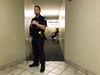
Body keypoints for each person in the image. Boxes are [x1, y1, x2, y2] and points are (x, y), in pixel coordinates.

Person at [27, 5, 47, 72]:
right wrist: (28, 37)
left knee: (40, 52)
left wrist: (36, 23)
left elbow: (43, 27)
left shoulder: (42, 18)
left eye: (37, 9)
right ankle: (36, 63)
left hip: (40, 38)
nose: (35, 11)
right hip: (34, 38)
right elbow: (30, 29)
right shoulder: (33, 19)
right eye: (34, 10)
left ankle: (42, 65)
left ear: (40, 10)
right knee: (35, 51)